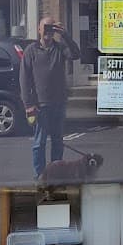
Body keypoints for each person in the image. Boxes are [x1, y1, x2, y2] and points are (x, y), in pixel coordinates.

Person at [20, 15, 81, 180]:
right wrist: (28, 105)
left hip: (58, 103)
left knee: (57, 141)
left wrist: (66, 35)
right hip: (40, 106)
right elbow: (24, 80)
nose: (48, 31)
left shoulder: (60, 48)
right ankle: (39, 174)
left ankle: (56, 173)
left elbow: (76, 54)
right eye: (45, 28)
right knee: (39, 143)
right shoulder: (30, 51)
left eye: (51, 28)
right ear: (39, 30)